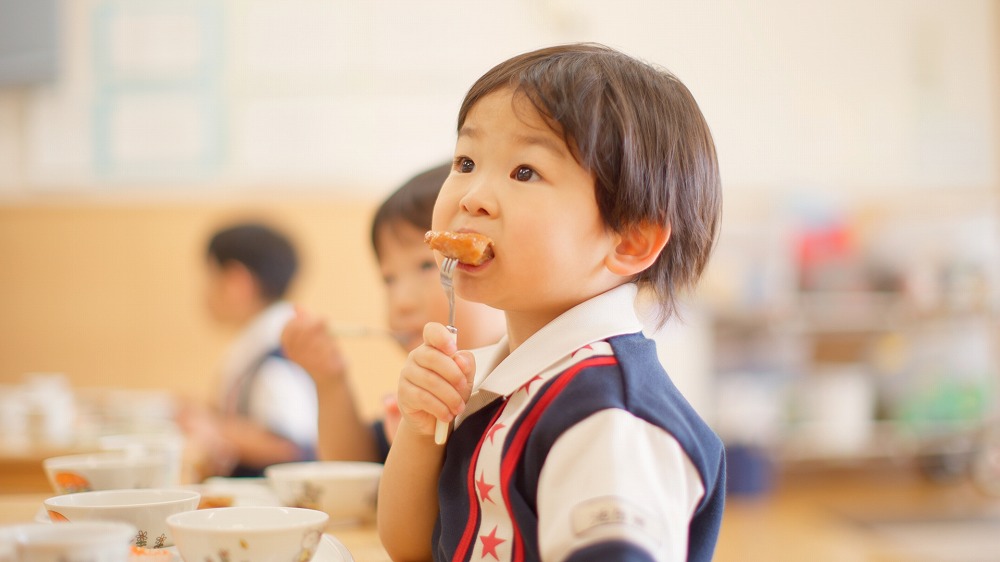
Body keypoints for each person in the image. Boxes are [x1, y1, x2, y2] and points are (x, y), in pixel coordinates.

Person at [377, 43, 726, 562]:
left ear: (629, 241)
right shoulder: (503, 375)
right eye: (466, 161)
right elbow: (409, 546)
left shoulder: (608, 421)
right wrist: (419, 424)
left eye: (525, 172)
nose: (471, 196)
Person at [280, 163, 506, 463]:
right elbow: (357, 469)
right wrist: (329, 379)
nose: (401, 302)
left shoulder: (515, 388)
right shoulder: (423, 390)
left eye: (426, 266)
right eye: (389, 279)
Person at [176, 222, 318, 479]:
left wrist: (213, 427)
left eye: (211, 277)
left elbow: (291, 447)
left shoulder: (275, 354)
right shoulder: (259, 341)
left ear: (237, 282)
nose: (205, 292)